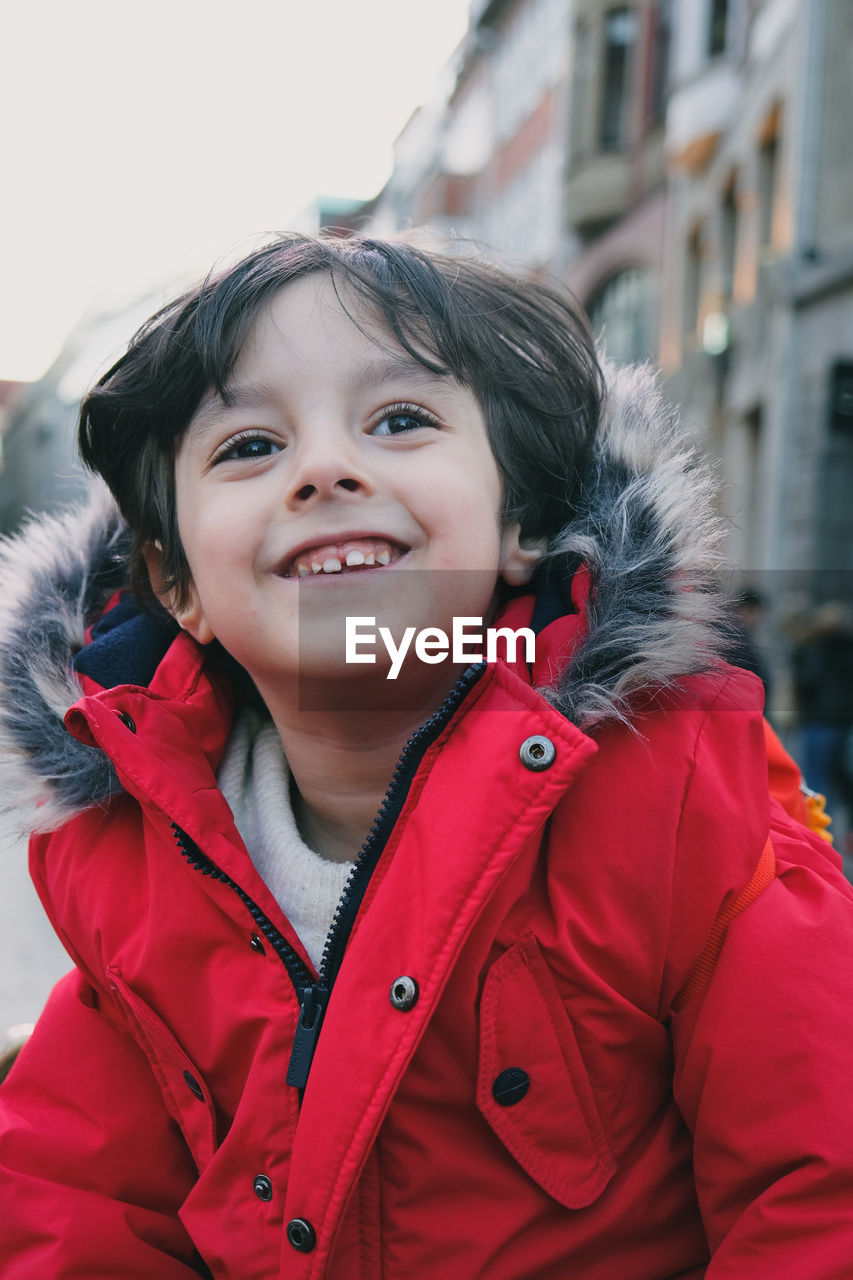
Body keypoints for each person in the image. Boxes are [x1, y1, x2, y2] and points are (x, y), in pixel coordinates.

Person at [0, 234, 852, 1279]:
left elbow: (818, 1188)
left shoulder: (681, 797)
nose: (323, 469)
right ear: (179, 588)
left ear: (519, 525)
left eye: (399, 420)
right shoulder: (131, 860)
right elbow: (69, 1199)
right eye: (250, 446)